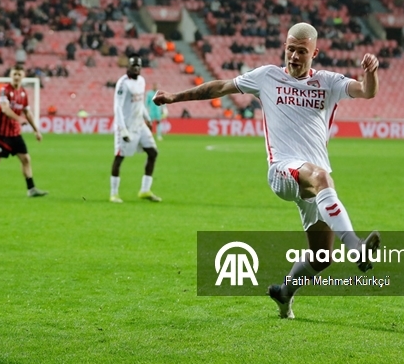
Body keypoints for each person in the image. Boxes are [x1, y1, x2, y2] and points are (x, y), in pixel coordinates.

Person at [153, 23, 381, 319]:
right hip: (283, 171)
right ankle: (356, 248)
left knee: (321, 256)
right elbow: (219, 87)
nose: (294, 56)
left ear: (315, 53)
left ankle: (284, 294)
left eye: (302, 51)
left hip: (313, 186)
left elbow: (366, 91)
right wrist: (173, 97)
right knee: (322, 177)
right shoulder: (267, 77)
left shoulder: (328, 82)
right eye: (290, 49)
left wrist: (371, 72)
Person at [0, 64, 47, 198]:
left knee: (26, 159)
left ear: (23, 76)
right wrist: (19, 118)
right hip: (1, 133)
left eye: (19, 74)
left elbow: (27, 112)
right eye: (14, 74)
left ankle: (31, 189)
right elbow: (5, 109)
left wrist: (36, 130)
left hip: (15, 134)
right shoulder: (4, 91)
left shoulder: (23, 93)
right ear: (10, 76)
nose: (17, 77)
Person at [110, 57, 161, 203]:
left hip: (140, 124)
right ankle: (114, 193)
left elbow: (140, 103)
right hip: (126, 125)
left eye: (139, 66)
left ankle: (145, 190)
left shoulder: (142, 81)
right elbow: (117, 107)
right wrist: (122, 129)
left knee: (153, 153)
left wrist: (147, 118)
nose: (136, 68)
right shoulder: (123, 83)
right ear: (128, 66)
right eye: (134, 66)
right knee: (119, 158)